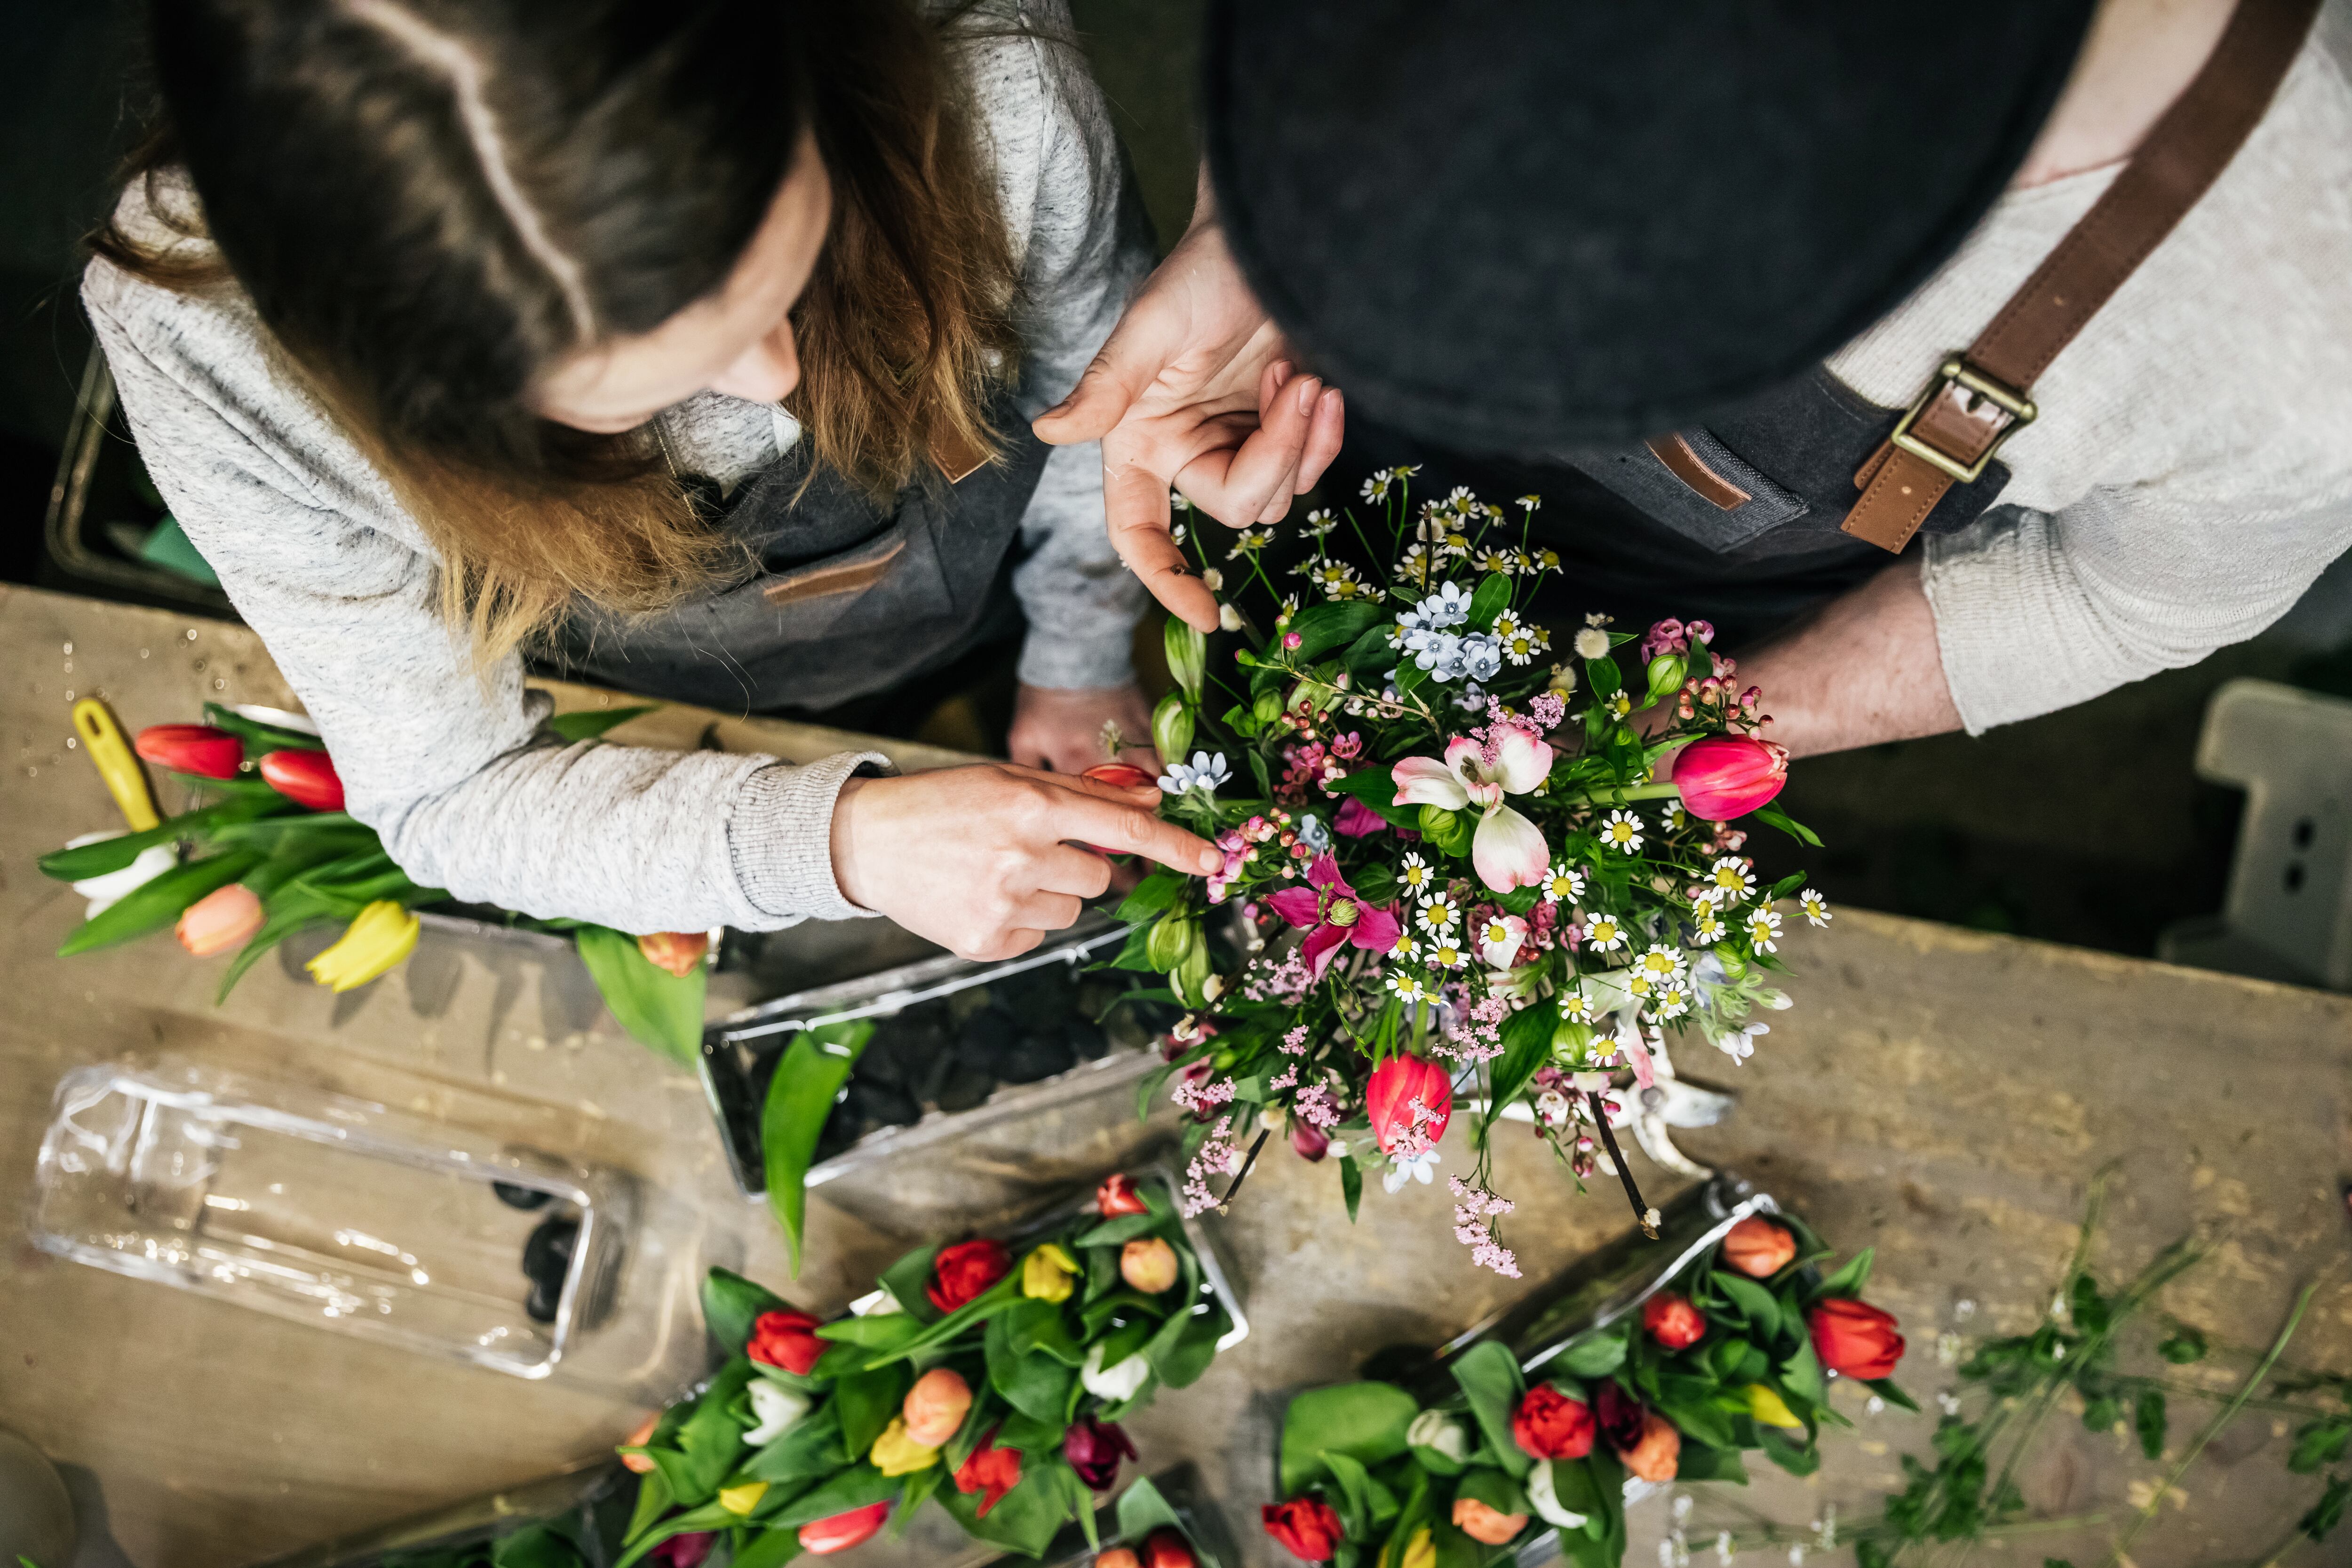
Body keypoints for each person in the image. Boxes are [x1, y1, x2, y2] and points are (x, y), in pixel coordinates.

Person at [84, 0, 1224, 961]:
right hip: (655, 696)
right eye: (653, 383)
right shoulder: (216, 354)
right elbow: (444, 790)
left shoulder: (984, 79)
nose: (778, 382)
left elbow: (1094, 401)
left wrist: (1074, 658)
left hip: (973, 602)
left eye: (788, 264)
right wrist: (838, 844)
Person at [1040, 0, 2352, 759]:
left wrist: (1667, 747)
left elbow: (2117, 598)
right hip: (1326, 448)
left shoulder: (2302, 344)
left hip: (1685, 601)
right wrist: (1267, 245)